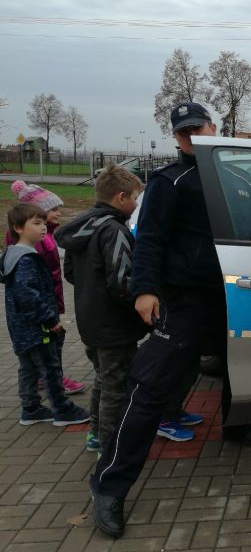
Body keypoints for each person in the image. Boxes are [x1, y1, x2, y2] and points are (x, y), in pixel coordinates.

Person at [90, 102, 251, 539]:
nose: (192, 135)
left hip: (237, 295)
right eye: (183, 131)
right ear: (176, 137)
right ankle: (109, 485)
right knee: (149, 388)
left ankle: (236, 425)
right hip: (188, 300)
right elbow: (150, 240)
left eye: (198, 127)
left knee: (241, 365)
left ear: (214, 127)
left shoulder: (241, 180)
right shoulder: (169, 181)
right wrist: (145, 289)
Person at [55, 165, 149, 453]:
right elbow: (122, 282)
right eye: (135, 198)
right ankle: (111, 448)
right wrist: (143, 297)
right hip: (114, 326)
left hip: (90, 320)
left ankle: (96, 433)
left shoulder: (85, 227)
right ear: (121, 197)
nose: (136, 205)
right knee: (116, 387)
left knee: (103, 379)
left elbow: (70, 272)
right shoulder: (115, 231)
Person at [0, 203, 90, 427]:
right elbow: (27, 295)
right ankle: (62, 409)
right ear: (18, 228)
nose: (43, 227)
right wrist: (50, 319)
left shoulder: (12, 254)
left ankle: (30, 408)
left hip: (21, 328)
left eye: (43, 222)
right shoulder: (26, 259)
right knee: (50, 367)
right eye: (37, 223)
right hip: (38, 327)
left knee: (28, 367)